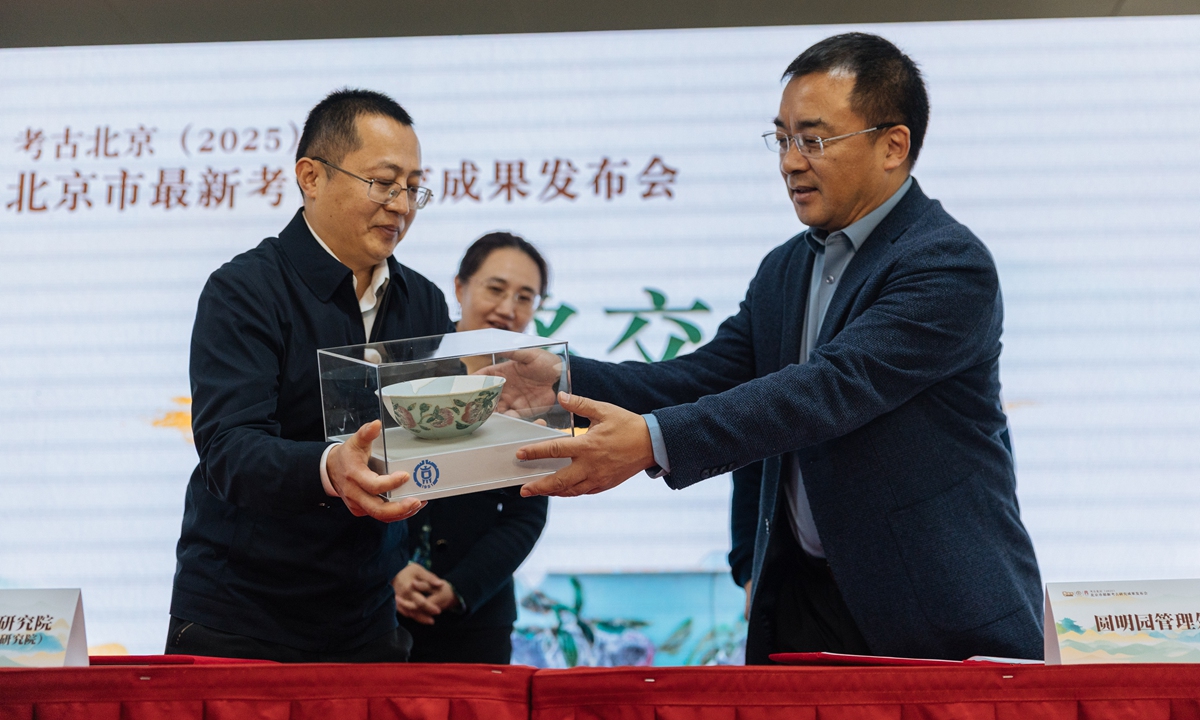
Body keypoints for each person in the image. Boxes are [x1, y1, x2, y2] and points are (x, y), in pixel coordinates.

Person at [498, 33, 1044, 663]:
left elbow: (830, 390)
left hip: (932, 609)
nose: (789, 161)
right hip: (801, 603)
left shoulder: (946, 264)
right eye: (781, 138)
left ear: (893, 145)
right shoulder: (785, 268)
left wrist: (650, 441)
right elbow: (708, 378)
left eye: (813, 139)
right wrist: (564, 378)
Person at [166, 89, 455, 662]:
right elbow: (229, 449)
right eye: (383, 181)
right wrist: (330, 467)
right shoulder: (244, 290)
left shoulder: (423, 301)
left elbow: (425, 440)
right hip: (241, 615)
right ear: (311, 176)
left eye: (413, 187)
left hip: (368, 615)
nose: (401, 204)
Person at [391, 232, 551, 664]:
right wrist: (392, 570)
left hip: (479, 617)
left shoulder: (535, 388)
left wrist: (461, 587)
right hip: (381, 610)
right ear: (460, 287)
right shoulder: (405, 367)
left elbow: (528, 514)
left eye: (525, 296)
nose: (507, 308)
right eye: (495, 289)